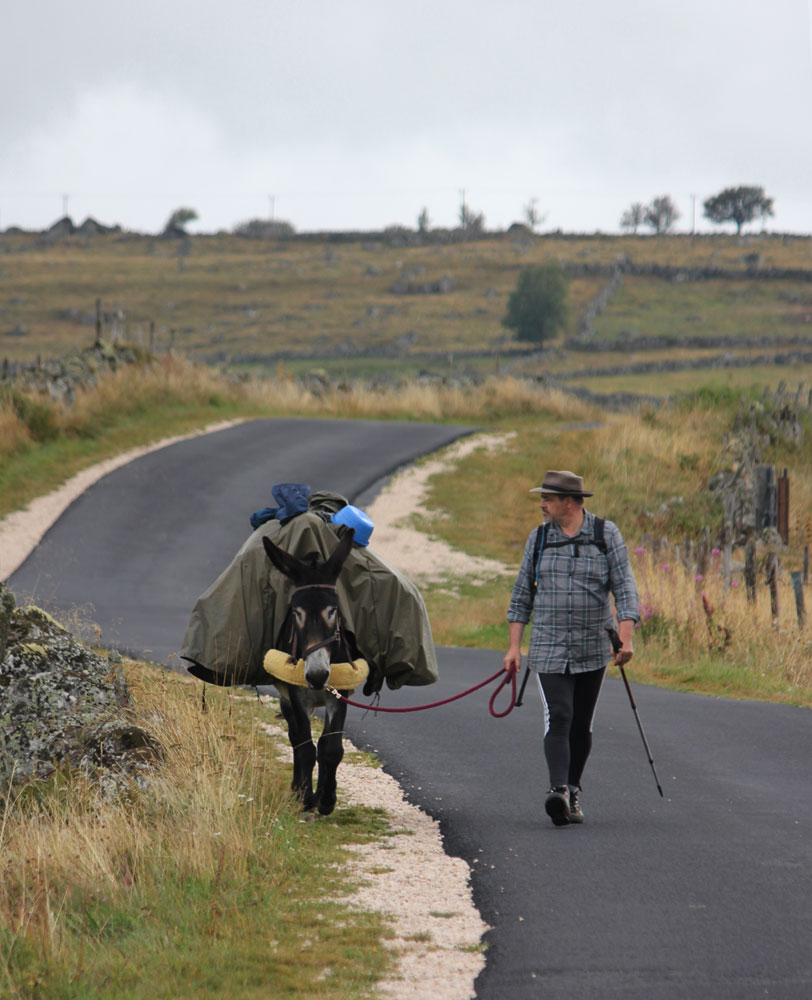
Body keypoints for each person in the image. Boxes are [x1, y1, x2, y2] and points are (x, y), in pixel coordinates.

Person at [503, 470, 640, 826]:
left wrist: (626, 638)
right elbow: (522, 595)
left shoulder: (605, 534)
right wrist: (514, 647)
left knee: (581, 723)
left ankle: (573, 790)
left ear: (568, 502)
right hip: (548, 645)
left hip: (593, 646)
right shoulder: (538, 539)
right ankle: (558, 791)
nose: (542, 504)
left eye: (547, 498)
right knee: (560, 715)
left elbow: (625, 588)